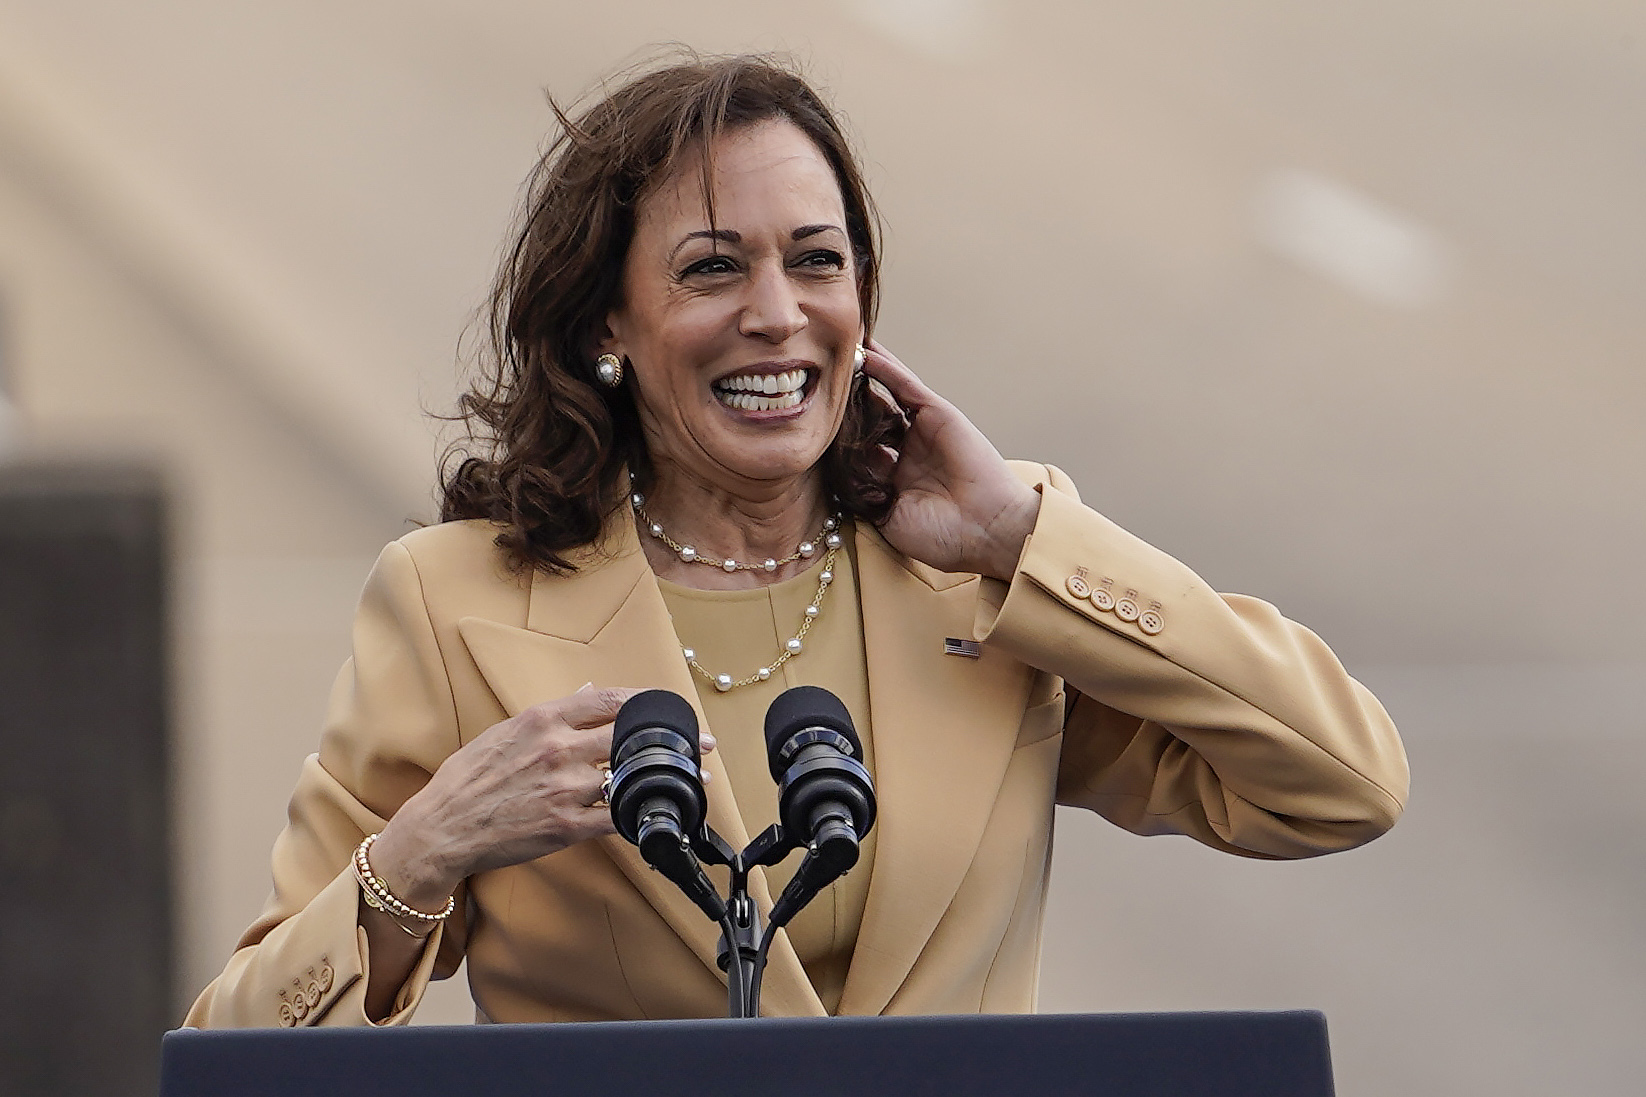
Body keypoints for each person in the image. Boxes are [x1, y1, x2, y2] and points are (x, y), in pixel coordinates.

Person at [185, 55, 1407, 1028]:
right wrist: (424, 850)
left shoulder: (981, 582)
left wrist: (1026, 536)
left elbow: (1340, 783)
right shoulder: (454, 607)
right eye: (712, 269)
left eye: (816, 261)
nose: (776, 315)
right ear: (609, 316)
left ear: (862, 298)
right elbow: (241, 1052)